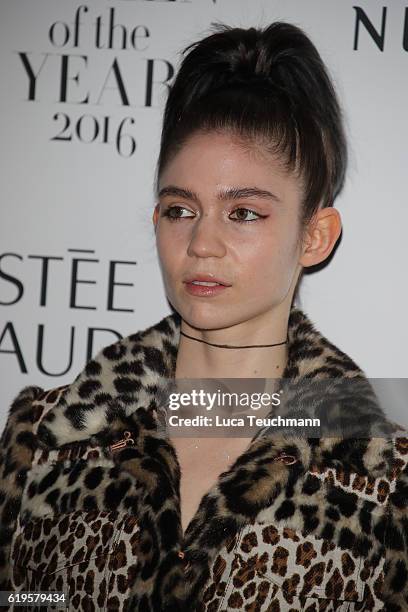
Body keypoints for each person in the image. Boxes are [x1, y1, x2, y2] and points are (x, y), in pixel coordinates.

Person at [0, 20, 407, 612]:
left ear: (315, 236)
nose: (202, 242)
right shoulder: (45, 438)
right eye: (179, 208)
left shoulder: (387, 484)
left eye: (243, 212)